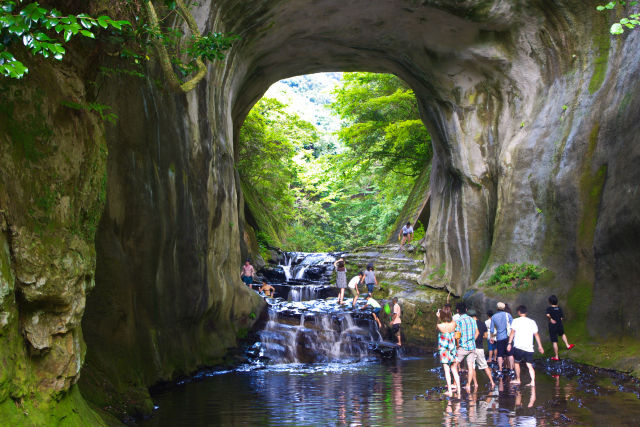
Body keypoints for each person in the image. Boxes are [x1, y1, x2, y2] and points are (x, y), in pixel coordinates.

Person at [507, 305, 544, 387]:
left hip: (519, 346)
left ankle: (518, 379)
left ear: (519, 312)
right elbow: (536, 335)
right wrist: (540, 346)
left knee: (517, 363)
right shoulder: (532, 322)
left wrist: (509, 343)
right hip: (529, 347)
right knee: (529, 365)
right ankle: (533, 381)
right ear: (526, 312)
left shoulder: (515, 321)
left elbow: (512, 333)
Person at [436, 304, 461, 397]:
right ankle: (459, 390)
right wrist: (448, 314)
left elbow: (437, 325)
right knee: (454, 370)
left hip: (444, 350)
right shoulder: (453, 324)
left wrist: (439, 317)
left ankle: (450, 391)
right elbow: (453, 322)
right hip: (452, 349)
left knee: (447, 370)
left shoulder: (440, 325)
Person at [468, 309, 496, 389]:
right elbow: (486, 336)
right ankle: (492, 382)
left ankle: (475, 383)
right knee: (485, 366)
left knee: (472, 367)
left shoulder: (470, 324)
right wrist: (480, 337)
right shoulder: (482, 323)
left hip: (472, 348)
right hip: (480, 347)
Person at [454, 304, 478, 392]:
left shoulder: (459, 320)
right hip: (472, 346)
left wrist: (457, 345)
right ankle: (468, 384)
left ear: (457, 310)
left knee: (454, 365)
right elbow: (476, 332)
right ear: (466, 309)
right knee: (470, 366)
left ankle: (455, 384)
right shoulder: (472, 319)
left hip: (463, 347)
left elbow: (457, 335)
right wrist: (472, 341)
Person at [546, 295, 575, 361]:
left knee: (554, 341)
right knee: (562, 334)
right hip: (559, 324)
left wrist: (551, 319)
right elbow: (561, 318)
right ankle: (568, 345)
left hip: (552, 326)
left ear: (550, 302)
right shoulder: (559, 308)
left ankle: (556, 356)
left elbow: (547, 315)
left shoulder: (549, 309)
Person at [490, 302, 513, 376]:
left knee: (499, 355)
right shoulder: (508, 315)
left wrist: (491, 337)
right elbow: (513, 326)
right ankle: (511, 369)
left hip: (499, 337)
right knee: (510, 353)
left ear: (497, 308)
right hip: (508, 337)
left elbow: (492, 329)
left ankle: (500, 369)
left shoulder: (494, 317)